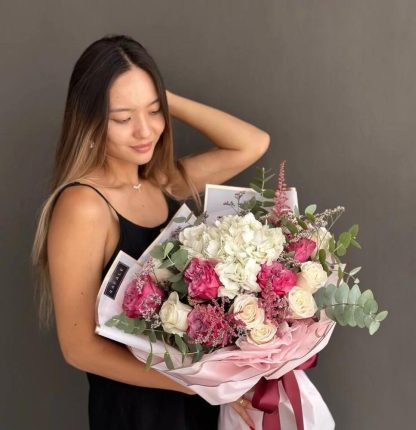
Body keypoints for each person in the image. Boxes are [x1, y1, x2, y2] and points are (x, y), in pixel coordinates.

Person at [32, 34, 269, 430]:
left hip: (196, 402)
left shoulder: (163, 182)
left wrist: (161, 96)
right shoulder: (84, 205)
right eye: (123, 118)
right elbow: (79, 348)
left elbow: (252, 144)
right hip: (137, 411)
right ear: (90, 121)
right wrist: (195, 383)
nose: (145, 131)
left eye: (155, 112)